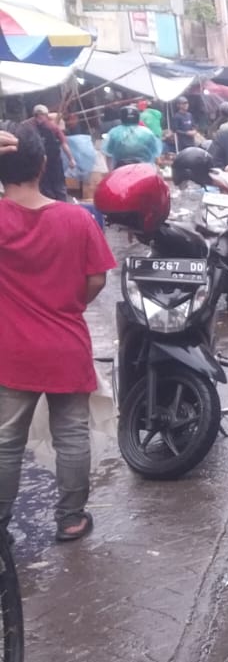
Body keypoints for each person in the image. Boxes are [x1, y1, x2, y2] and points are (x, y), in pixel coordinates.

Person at [0, 122, 116, 542]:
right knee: (71, 435)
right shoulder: (77, 219)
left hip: (10, 350)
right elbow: (97, 280)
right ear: (45, 163)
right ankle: (70, 518)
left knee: (6, 442)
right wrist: (68, 304)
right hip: (66, 342)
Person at [30, 105, 69, 200]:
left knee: (58, 186)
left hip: (54, 161)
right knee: (45, 187)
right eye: (37, 115)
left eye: (41, 115)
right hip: (40, 162)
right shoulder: (30, 127)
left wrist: (71, 159)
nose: (39, 117)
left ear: (46, 116)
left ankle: (62, 205)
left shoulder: (53, 127)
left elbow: (64, 143)